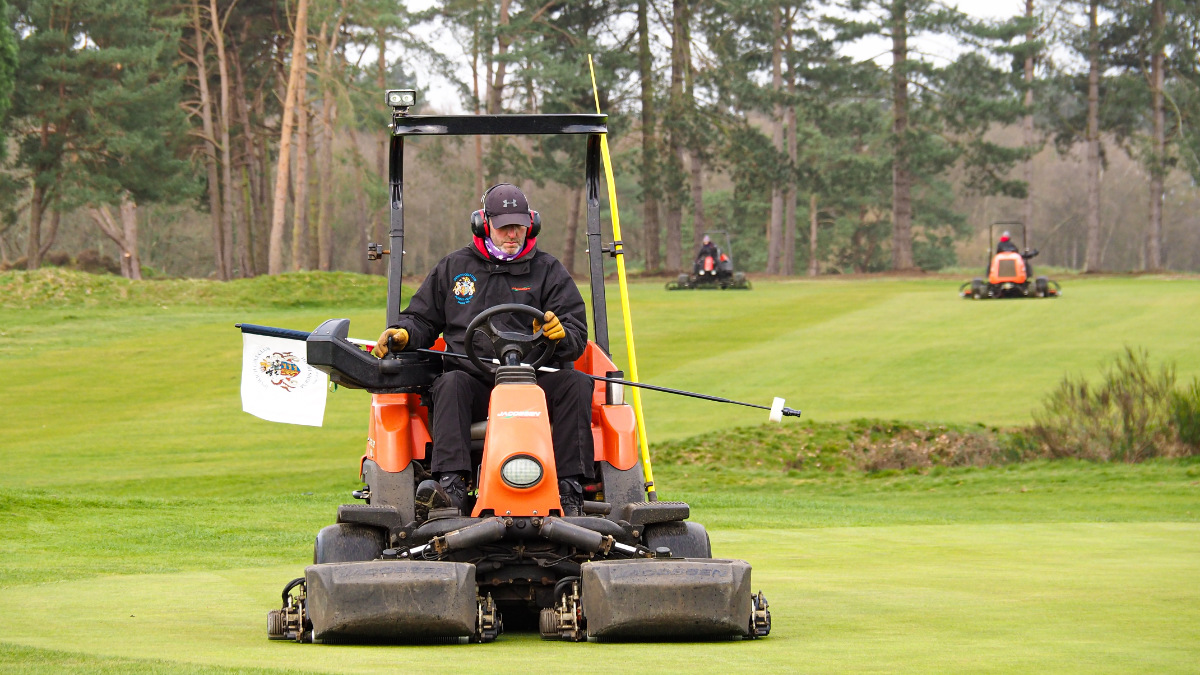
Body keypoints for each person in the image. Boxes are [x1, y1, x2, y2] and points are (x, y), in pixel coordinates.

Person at [371, 183, 594, 518]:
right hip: (475, 381)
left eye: (519, 225)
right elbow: (421, 318)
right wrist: (403, 333)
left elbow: (576, 334)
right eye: (504, 226)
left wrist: (560, 335)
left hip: (535, 381)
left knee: (576, 384)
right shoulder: (454, 268)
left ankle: (569, 490)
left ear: (531, 224)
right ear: (482, 223)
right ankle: (452, 488)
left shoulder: (549, 271)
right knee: (449, 384)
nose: (512, 233)